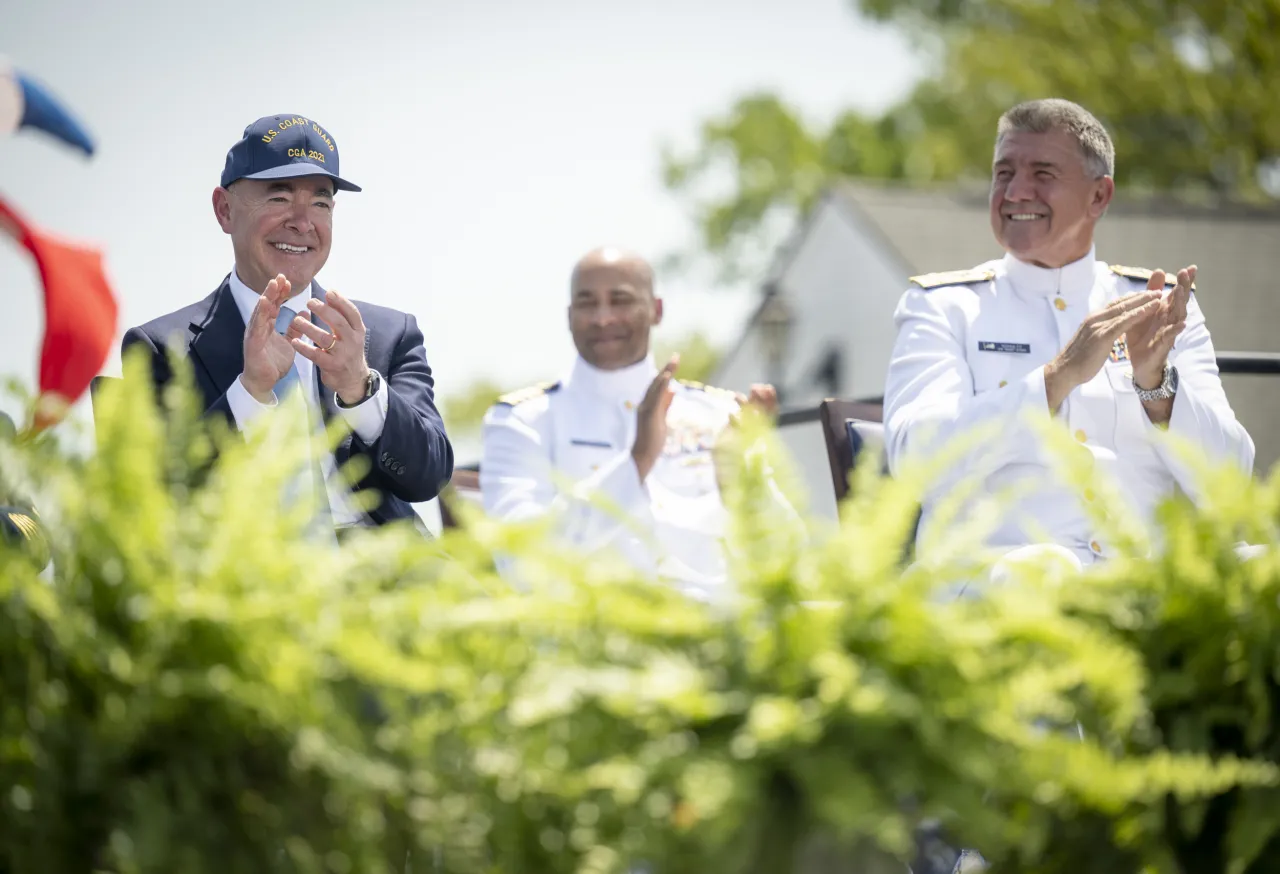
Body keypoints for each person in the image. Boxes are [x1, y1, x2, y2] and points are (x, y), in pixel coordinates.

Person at [884, 98, 1254, 571]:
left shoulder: (1160, 306)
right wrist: (1054, 380)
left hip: (1150, 581)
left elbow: (1231, 483)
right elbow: (917, 465)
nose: (1016, 191)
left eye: (1043, 174)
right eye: (1003, 173)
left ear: (1099, 196)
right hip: (1004, 580)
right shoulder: (943, 305)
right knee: (1043, 573)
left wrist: (1156, 387)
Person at [122, 114, 453, 532]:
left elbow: (429, 478)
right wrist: (250, 392)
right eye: (278, 198)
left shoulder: (386, 336)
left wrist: (360, 388)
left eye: (320, 202)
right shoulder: (161, 348)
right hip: (247, 582)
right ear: (224, 210)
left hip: (386, 577)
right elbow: (162, 504)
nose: (302, 222)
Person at [479, 247, 784, 601]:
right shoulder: (523, 421)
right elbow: (523, 563)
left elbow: (787, 552)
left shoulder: (717, 413)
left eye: (620, 300)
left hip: (722, 629)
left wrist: (741, 484)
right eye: (587, 303)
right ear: (569, 315)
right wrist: (636, 462)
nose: (603, 318)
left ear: (656, 310)